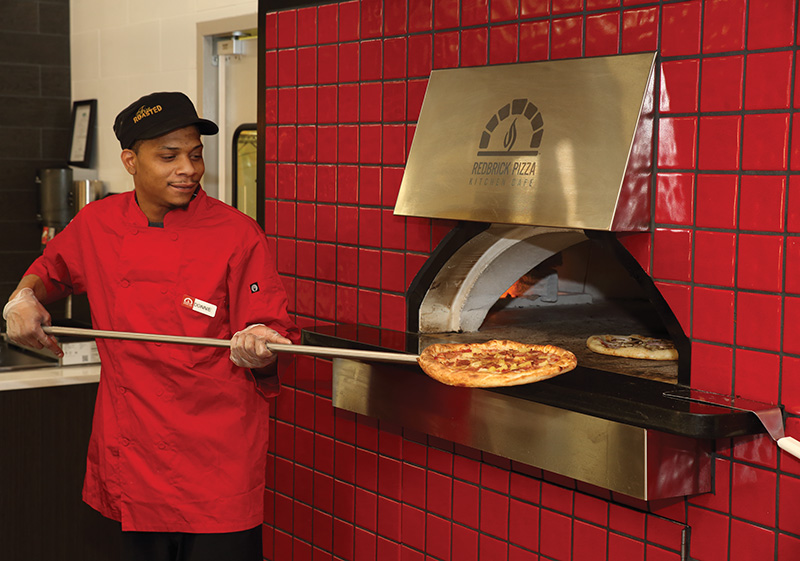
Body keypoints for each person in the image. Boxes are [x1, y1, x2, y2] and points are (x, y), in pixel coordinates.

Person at [2, 91, 300, 561]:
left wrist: (261, 346)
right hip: (132, 454)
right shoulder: (97, 222)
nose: (189, 168)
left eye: (196, 154)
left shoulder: (237, 233)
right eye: (169, 156)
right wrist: (21, 298)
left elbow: (270, 331)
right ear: (130, 161)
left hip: (216, 461)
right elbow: (50, 270)